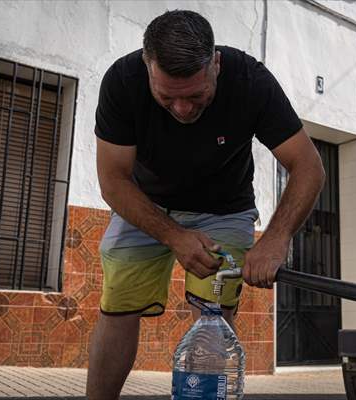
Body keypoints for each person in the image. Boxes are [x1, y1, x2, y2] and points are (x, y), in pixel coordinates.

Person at [87, 9, 325, 399]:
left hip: (224, 208)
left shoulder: (250, 81)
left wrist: (276, 237)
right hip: (145, 205)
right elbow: (113, 181)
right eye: (167, 97)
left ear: (215, 63)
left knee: (214, 317)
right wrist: (174, 236)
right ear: (147, 67)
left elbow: (309, 167)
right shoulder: (122, 81)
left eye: (196, 95)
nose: (182, 109)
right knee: (118, 307)